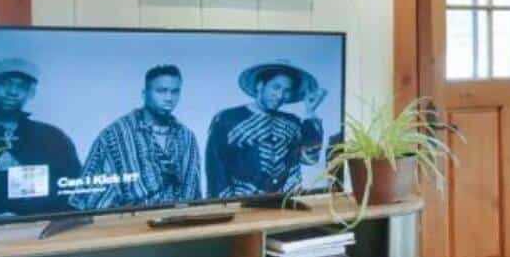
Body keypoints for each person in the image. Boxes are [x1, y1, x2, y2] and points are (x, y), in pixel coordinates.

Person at [75, 65, 203, 210]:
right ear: (144, 94)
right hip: (130, 221)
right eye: (161, 91)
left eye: (175, 92)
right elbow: (89, 197)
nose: (169, 98)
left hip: (182, 219)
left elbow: (194, 194)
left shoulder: (187, 137)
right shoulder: (115, 135)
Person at [0, 57, 83, 219]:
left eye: (22, 86)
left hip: (46, 225)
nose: (12, 92)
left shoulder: (53, 137)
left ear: (31, 93)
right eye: (5, 83)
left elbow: (76, 191)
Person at [206, 61, 327, 198]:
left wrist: (310, 112)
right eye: (276, 87)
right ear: (260, 85)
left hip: (286, 201)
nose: (280, 95)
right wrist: (224, 203)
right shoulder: (228, 119)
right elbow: (215, 168)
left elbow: (310, 159)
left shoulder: (292, 122)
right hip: (242, 202)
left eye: (286, 90)